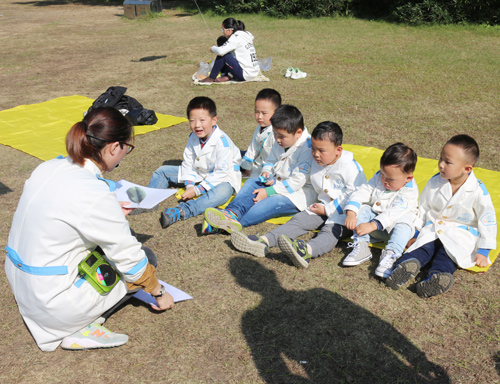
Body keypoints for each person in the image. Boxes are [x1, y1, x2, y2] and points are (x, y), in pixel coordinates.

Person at [4, 107, 174, 352]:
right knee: (146, 258)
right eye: (127, 148)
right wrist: (160, 293)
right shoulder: (93, 194)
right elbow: (131, 260)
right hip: (51, 304)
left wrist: (111, 211)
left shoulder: (50, 167)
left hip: (23, 285)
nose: (124, 155)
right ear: (114, 147)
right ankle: (82, 327)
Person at [231, 121, 367, 268]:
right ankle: (263, 241)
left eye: (321, 151)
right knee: (299, 221)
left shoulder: (351, 168)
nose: (315, 154)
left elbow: (355, 195)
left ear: (338, 150)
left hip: (347, 214)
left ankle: (305, 251)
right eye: (313, 149)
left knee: (330, 231)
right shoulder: (315, 161)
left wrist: (327, 209)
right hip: (320, 206)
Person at [386, 135, 497, 297]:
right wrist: (416, 232)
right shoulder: (434, 182)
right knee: (423, 247)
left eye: (448, 162)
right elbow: (423, 208)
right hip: (433, 228)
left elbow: (487, 220)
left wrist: (484, 250)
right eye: (440, 159)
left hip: (460, 234)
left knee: (448, 256)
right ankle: (404, 267)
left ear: (467, 169)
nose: (441, 165)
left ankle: (436, 278)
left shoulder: (478, 191)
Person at [203, 104, 315, 233]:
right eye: (274, 134)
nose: (277, 139)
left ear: (298, 133)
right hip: (275, 182)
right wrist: (266, 172)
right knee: (252, 182)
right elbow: (271, 160)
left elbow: (296, 182)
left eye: (281, 137)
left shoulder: (308, 148)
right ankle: (231, 213)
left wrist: (269, 191)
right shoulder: (283, 137)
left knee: (270, 203)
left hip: (297, 193)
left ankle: (229, 224)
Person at [145, 97, 242, 228]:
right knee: (162, 172)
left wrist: (196, 191)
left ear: (214, 120)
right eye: (192, 121)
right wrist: (190, 185)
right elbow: (188, 163)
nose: (197, 125)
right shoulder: (193, 136)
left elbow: (221, 172)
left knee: (223, 192)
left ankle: (181, 211)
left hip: (223, 177)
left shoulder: (222, 142)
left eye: (202, 120)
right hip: (200, 172)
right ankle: (148, 201)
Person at [343, 143, 419, 278]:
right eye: (383, 174)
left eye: (390, 179)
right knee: (364, 208)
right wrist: (351, 212)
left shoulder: (410, 192)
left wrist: (372, 225)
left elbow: (393, 213)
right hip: (373, 229)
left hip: (395, 232)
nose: (384, 181)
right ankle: (362, 246)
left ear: (408, 178)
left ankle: (391, 255)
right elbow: (364, 190)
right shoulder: (380, 177)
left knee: (405, 222)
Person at [200, 18, 259, 83]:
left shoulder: (236, 37)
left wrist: (213, 48)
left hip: (245, 75)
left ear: (229, 30)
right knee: (228, 54)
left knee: (223, 55)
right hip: (254, 73)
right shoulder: (245, 35)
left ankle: (211, 78)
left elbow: (220, 51)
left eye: (223, 30)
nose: (223, 32)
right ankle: (228, 75)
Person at [240, 88, 281, 178]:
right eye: (256, 112)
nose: (259, 117)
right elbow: (252, 148)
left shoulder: (278, 133)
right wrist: (247, 167)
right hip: (256, 163)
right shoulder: (259, 127)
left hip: (267, 169)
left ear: (277, 112)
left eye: (264, 113)